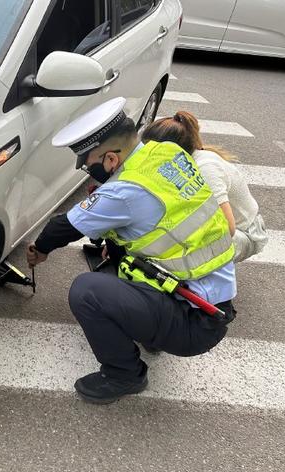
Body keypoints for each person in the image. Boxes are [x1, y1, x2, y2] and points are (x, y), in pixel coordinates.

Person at [27, 98, 237, 404]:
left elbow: (63, 227)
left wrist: (39, 251)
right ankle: (154, 330)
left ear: (111, 159)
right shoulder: (165, 151)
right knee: (114, 257)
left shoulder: (124, 192)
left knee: (88, 290)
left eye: (89, 165)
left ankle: (125, 373)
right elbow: (153, 221)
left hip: (197, 319)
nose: (89, 171)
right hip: (211, 297)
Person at [142, 111, 268, 262]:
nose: (146, 156)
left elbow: (227, 229)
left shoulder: (206, 169)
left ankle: (207, 279)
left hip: (244, 235)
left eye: (152, 152)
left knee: (170, 252)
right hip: (218, 224)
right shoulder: (183, 160)